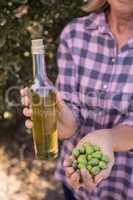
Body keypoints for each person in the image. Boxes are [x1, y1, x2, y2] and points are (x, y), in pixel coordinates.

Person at [20, 0, 133, 199]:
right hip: (74, 177)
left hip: (125, 187)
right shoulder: (75, 34)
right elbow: (70, 104)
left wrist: (109, 138)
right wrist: (66, 122)